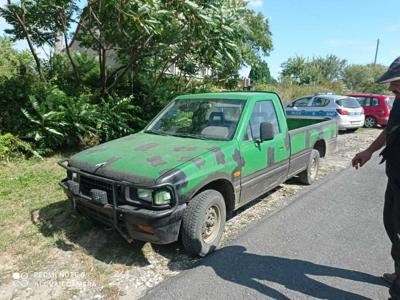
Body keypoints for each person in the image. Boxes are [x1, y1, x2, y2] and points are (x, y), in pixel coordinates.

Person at [352, 56, 400, 299]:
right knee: (391, 225)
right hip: (395, 177)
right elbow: (390, 128)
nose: (391, 88)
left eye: (396, 82)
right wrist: (369, 151)